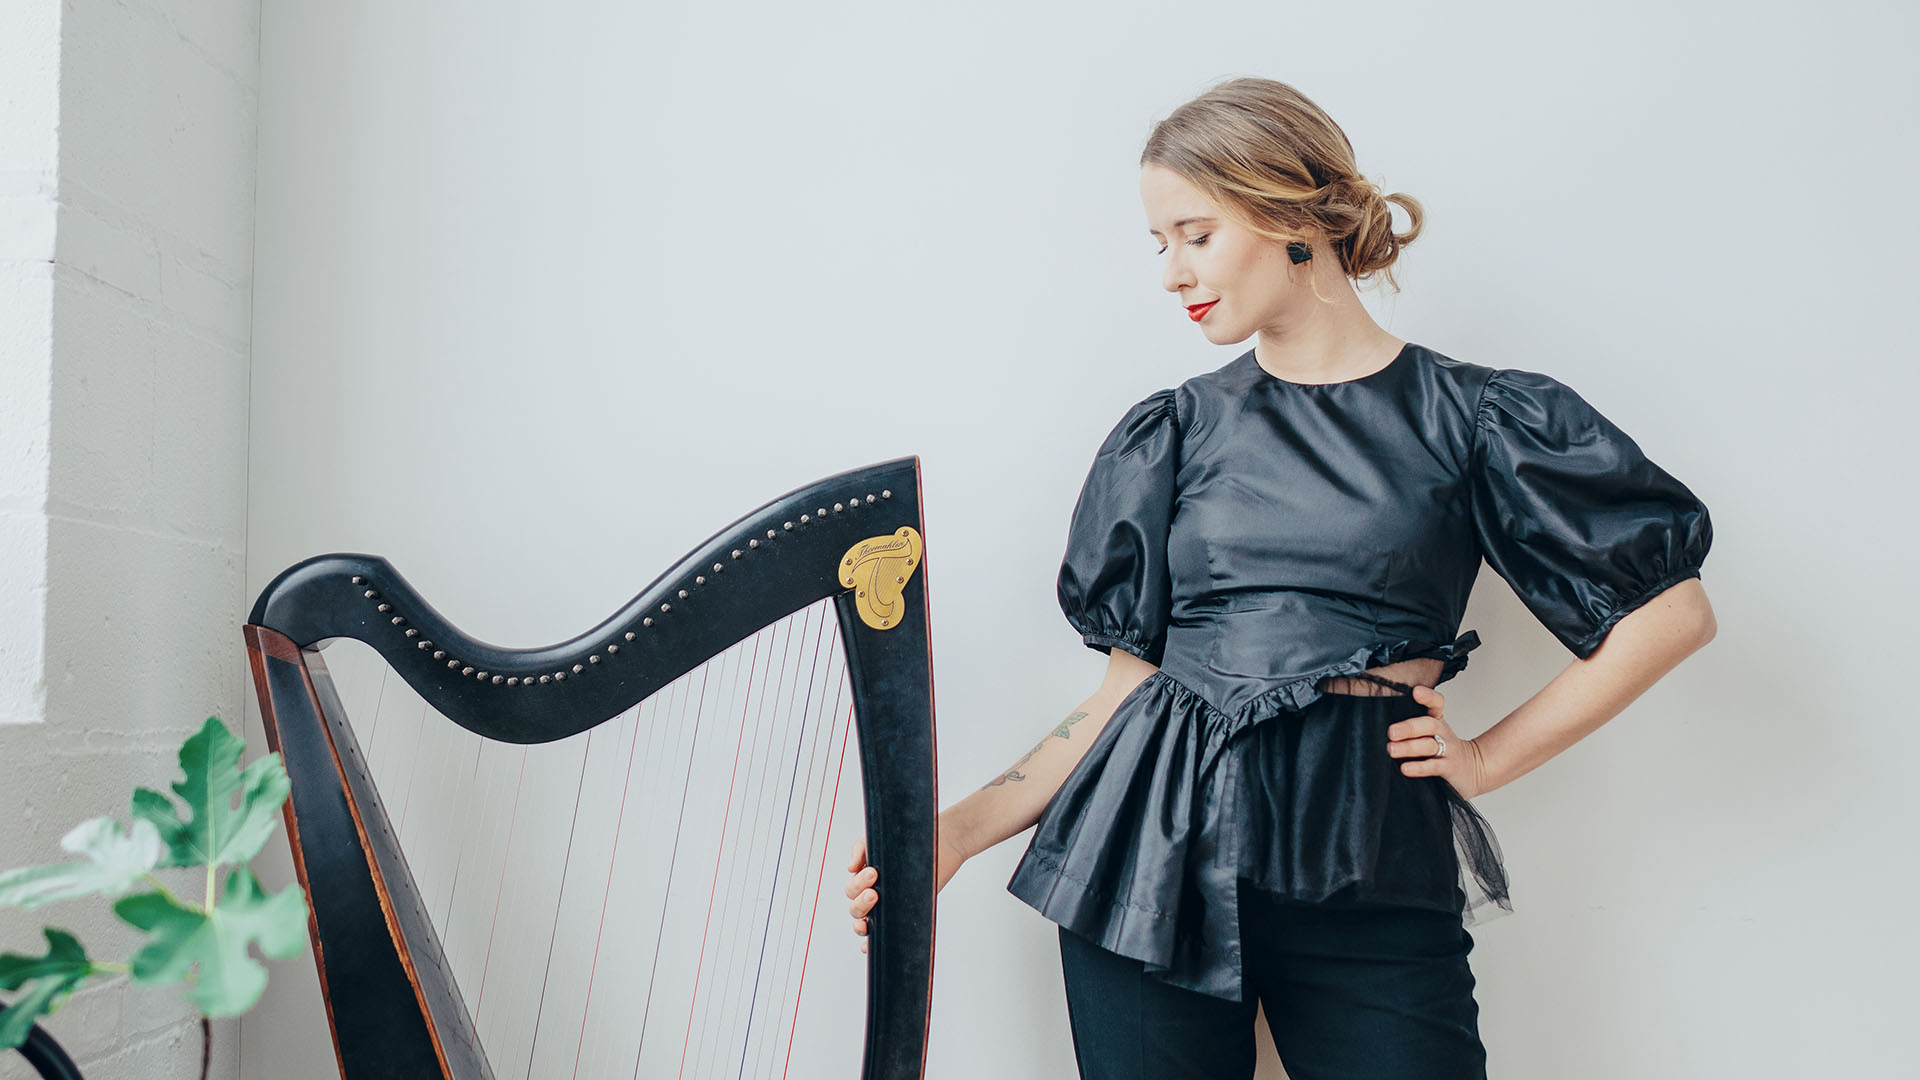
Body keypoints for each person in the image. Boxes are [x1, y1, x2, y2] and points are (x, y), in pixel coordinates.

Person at [844, 76, 1716, 1079]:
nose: (1172, 272)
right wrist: (950, 836)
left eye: (1195, 233)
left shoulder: (1475, 417)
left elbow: (1671, 615)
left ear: (1288, 213)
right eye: (1158, 243)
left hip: (1368, 860)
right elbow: (1127, 695)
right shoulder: (1172, 431)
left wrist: (1482, 761)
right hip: (1147, 862)